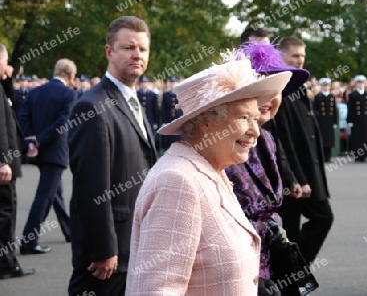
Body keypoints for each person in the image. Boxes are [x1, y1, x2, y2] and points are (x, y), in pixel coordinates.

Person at [126, 55, 292, 295]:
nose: (255, 131)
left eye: (255, 119)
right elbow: (157, 290)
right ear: (206, 121)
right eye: (244, 117)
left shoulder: (211, 170)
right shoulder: (178, 182)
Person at [68, 16, 158, 296]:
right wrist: (104, 249)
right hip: (108, 256)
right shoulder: (91, 107)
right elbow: (91, 187)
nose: (137, 55)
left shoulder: (134, 102)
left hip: (135, 244)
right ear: (109, 51)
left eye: (143, 49)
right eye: (129, 47)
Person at [225, 43, 311, 296]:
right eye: (260, 88)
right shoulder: (224, 140)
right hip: (238, 270)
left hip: (273, 264)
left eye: (276, 89)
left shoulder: (267, 139)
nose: (270, 98)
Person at [270, 36, 333, 266]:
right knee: (295, 230)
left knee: (319, 220)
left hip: (307, 173)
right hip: (294, 176)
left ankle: (295, 271)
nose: (300, 60)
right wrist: (296, 178)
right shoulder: (281, 89)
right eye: (295, 55)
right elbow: (284, 141)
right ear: (281, 57)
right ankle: (293, 274)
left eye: (302, 56)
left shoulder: (298, 86)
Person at [19, 59, 76, 254]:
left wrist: (31, 140)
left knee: (55, 193)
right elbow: (63, 123)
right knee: (43, 198)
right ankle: (29, 241)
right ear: (70, 76)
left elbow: (23, 118)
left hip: (40, 151)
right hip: (55, 151)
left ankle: (69, 231)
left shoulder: (35, 92)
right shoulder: (69, 93)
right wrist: (40, 139)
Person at [0, 43, 35, 279]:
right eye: (5, 60)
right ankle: (7, 264)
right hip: (4, 163)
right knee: (6, 214)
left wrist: (6, 80)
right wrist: (3, 161)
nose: (8, 65)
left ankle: (7, 262)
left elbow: (12, 103)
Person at [347, 75, 367, 162]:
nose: (360, 84)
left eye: (362, 83)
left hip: (365, 119)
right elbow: (350, 109)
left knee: (365, 137)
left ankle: (364, 155)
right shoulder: (352, 95)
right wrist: (349, 120)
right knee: (357, 138)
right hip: (356, 119)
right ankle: (357, 155)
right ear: (356, 84)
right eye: (359, 83)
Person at [313, 78, 337, 162]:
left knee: (329, 139)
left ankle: (328, 156)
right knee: (322, 138)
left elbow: (334, 110)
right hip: (321, 120)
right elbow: (315, 110)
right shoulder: (318, 97)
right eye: (324, 85)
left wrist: (335, 121)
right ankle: (322, 156)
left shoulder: (331, 97)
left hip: (329, 120)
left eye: (327, 85)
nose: (326, 87)